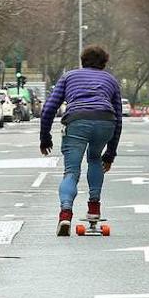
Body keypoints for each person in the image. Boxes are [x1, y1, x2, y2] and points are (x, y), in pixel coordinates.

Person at [39, 44, 123, 236]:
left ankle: (65, 214)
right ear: (104, 63)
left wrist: (45, 138)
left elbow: (49, 108)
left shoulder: (68, 77)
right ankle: (94, 209)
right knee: (95, 159)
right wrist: (110, 154)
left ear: (82, 61)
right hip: (105, 122)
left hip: (77, 121)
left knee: (71, 171)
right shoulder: (111, 81)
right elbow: (118, 118)